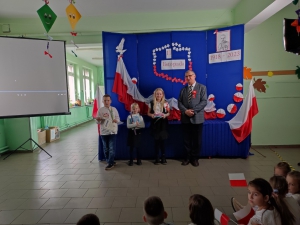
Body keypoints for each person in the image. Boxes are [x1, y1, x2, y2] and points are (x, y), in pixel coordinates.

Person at [178, 70, 207, 167]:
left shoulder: (202, 88)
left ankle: (195, 158)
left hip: (197, 118)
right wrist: (185, 111)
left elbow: (204, 102)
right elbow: (179, 103)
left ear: (194, 76)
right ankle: (187, 158)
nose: (188, 78)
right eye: (186, 76)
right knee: (186, 140)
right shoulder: (183, 90)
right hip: (185, 118)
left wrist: (193, 111)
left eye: (190, 76)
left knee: (197, 140)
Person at [96, 94, 120, 170]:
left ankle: (110, 163)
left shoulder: (114, 109)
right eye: (105, 100)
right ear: (103, 101)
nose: (106, 102)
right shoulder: (100, 110)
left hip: (112, 131)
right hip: (104, 132)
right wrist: (98, 120)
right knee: (106, 148)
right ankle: (109, 160)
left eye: (108, 100)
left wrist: (116, 120)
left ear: (111, 101)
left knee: (111, 148)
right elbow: (97, 122)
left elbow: (118, 119)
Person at [148, 88, 170, 165]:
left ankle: (163, 157)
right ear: (155, 95)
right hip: (155, 124)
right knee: (156, 142)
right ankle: (157, 157)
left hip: (163, 123)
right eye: (157, 94)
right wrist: (152, 115)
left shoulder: (166, 103)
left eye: (160, 94)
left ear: (162, 95)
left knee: (163, 141)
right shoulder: (151, 103)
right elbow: (148, 113)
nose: (159, 95)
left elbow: (168, 113)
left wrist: (165, 115)